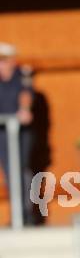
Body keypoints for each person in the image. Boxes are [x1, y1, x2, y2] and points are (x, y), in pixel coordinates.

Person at [0, 41, 35, 225]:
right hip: (2, 133)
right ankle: (17, 214)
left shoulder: (22, 74)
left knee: (21, 171)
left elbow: (26, 94)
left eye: (4, 59)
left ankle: (25, 214)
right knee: (8, 173)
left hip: (19, 133)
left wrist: (24, 109)